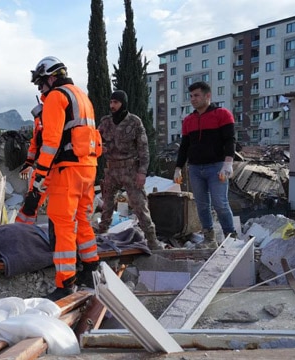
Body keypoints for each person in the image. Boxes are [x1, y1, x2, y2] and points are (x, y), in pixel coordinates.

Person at [29, 56, 102, 301]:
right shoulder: (82, 96)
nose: (41, 90)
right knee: (83, 220)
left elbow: (51, 142)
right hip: (88, 166)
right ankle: (92, 271)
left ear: (51, 77)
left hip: (67, 169)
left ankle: (65, 283)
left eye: (41, 84)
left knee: (63, 226)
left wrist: (39, 175)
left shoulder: (56, 97)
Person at [174, 81, 237, 248]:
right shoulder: (188, 120)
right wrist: (178, 168)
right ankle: (209, 238)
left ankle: (232, 238)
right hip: (195, 169)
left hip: (217, 167)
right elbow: (184, 146)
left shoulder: (222, 114)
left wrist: (228, 163)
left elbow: (230, 140)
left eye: (196, 95)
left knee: (220, 203)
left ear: (207, 96)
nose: (193, 99)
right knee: (202, 206)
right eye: (191, 96)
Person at [97, 90, 162, 250]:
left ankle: (152, 240)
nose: (112, 106)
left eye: (116, 102)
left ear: (123, 103)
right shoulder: (105, 122)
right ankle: (102, 232)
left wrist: (142, 172)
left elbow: (144, 149)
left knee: (139, 205)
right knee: (106, 205)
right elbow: (95, 140)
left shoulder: (134, 122)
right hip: (111, 169)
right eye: (111, 102)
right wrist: (100, 148)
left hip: (130, 170)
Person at [16, 96, 51, 224]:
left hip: (47, 169)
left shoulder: (48, 122)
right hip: (44, 169)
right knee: (31, 203)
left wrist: (30, 163)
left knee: (32, 204)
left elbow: (38, 144)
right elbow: (35, 143)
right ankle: (22, 231)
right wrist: (29, 163)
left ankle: (21, 230)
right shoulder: (41, 123)